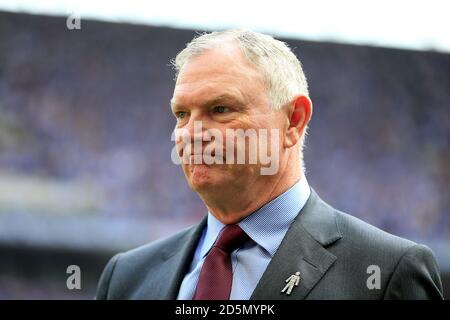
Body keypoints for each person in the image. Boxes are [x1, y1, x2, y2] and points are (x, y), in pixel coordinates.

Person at [96, 29, 443, 300]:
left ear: (293, 120)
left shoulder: (385, 272)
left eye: (221, 109)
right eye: (182, 114)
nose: (191, 133)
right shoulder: (127, 277)